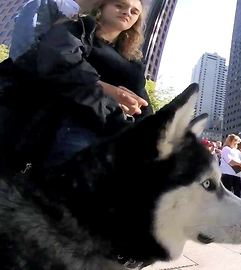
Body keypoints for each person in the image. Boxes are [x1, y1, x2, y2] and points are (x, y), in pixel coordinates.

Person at [0, 0, 152, 171]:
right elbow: (59, 62)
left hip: (114, 131)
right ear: (102, 6)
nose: (127, 12)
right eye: (120, 5)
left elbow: (142, 101)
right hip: (73, 123)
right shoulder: (78, 28)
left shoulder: (133, 60)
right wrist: (109, 92)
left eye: (134, 12)